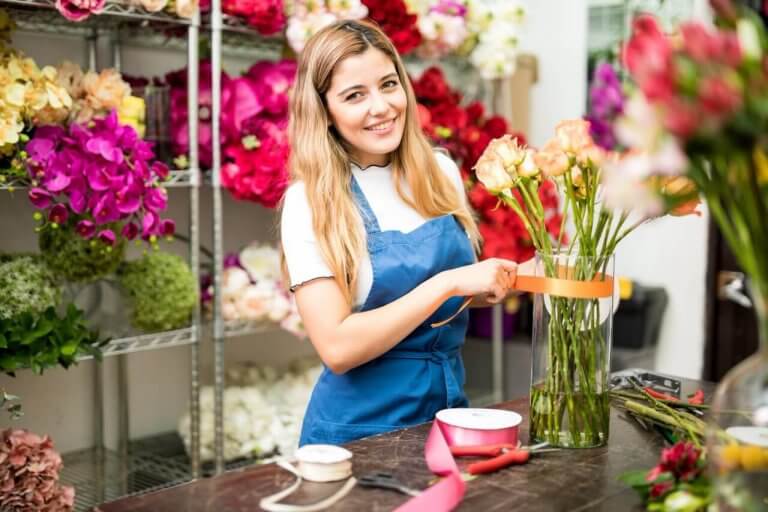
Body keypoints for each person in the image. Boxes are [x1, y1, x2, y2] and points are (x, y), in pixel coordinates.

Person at [280, 19, 518, 447]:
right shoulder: (310, 201)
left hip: (446, 417)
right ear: (325, 112)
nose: (382, 106)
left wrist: (512, 278)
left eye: (389, 84)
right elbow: (337, 348)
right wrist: (449, 282)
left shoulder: (438, 171)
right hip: (358, 435)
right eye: (355, 95)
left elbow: (457, 297)